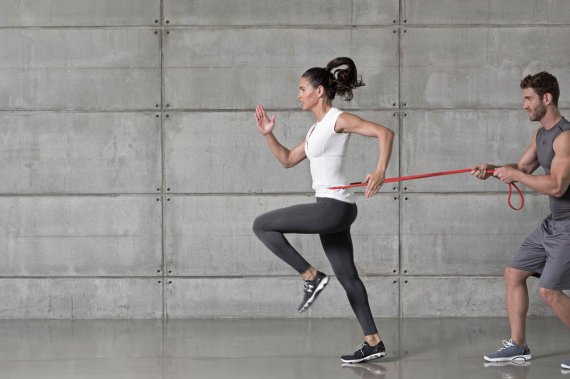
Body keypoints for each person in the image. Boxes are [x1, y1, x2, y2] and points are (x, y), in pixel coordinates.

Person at [252, 57, 394, 363]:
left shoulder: (337, 119)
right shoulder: (316, 130)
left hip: (333, 208)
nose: (298, 94)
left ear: (319, 91)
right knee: (348, 278)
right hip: (333, 209)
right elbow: (288, 159)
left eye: (302, 89)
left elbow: (385, 133)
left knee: (262, 225)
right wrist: (267, 133)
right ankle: (373, 341)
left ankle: (311, 276)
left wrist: (380, 171)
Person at [472, 71, 570, 370]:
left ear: (547, 98)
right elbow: (523, 166)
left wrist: (516, 175)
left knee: (549, 291)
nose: (524, 105)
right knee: (514, 273)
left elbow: (556, 186)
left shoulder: (566, 137)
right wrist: (493, 169)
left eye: (529, 99)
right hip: (553, 223)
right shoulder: (541, 134)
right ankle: (518, 346)